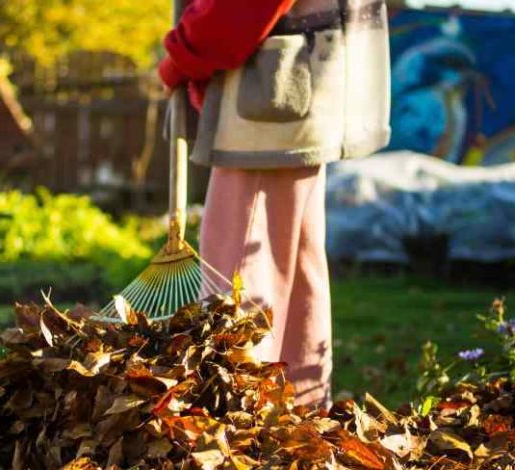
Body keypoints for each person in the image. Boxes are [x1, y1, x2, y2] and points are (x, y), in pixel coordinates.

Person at [158, 0, 391, 407]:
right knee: (295, 269)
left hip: (269, 98)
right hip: (302, 94)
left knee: (240, 275)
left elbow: (238, 12)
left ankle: (236, 422)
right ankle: (296, 420)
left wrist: (184, 54)